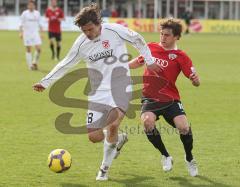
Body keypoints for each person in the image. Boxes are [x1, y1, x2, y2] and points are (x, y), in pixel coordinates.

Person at [33, 3, 160, 181]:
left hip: (121, 86)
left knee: (113, 124)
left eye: (90, 29)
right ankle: (118, 139)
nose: (88, 33)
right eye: (85, 31)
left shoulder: (115, 30)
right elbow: (66, 63)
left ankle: (104, 170)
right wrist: (45, 82)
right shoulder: (81, 43)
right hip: (98, 92)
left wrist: (150, 60)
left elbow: (137, 39)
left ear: (98, 23)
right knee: (94, 136)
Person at [129, 18, 200, 177]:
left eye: (167, 35)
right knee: (147, 122)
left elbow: (195, 79)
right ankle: (166, 155)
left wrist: (195, 80)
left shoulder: (181, 56)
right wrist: (121, 66)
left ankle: (189, 158)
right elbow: (138, 62)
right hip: (150, 97)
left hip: (171, 99)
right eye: (161, 34)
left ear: (176, 37)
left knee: (184, 128)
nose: (163, 37)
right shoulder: (151, 48)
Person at [19, 0, 43, 70]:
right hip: (27, 34)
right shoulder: (24, 13)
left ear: (34, 6)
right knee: (28, 49)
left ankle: (34, 62)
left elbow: (40, 24)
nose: (31, 6)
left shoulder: (37, 13)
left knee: (39, 49)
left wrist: (41, 33)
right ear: (28, 6)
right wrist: (20, 32)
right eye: (30, 5)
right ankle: (30, 66)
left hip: (35, 33)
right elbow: (20, 24)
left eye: (32, 5)